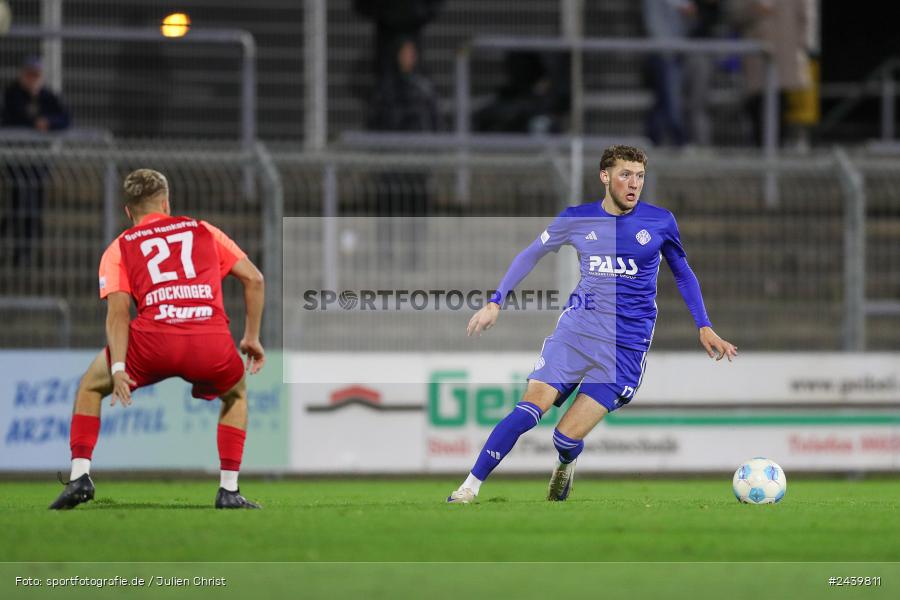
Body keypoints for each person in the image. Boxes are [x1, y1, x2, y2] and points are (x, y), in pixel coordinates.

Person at [448, 145, 737, 504]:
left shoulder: (660, 221)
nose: (634, 184)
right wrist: (495, 302)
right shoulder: (576, 219)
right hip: (577, 332)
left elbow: (683, 273)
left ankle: (566, 461)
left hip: (624, 348)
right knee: (528, 409)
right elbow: (530, 254)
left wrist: (703, 324)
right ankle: (469, 487)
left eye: (640, 176)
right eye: (625, 175)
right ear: (605, 177)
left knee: (564, 438)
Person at [49, 169, 266, 510]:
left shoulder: (119, 247)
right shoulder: (203, 230)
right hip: (209, 340)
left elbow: (118, 314)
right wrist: (251, 337)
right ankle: (229, 490)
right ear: (166, 202)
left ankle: (80, 478)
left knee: (90, 386)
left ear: (128, 211)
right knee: (236, 395)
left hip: (153, 342)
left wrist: (119, 367)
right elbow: (254, 280)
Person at [1, 56, 70, 266]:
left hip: (37, 163)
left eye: (36, 76)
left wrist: (48, 123)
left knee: (33, 207)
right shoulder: (13, 94)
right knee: (16, 205)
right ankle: (16, 249)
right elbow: (13, 117)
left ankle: (27, 253)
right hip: (16, 162)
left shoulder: (47, 96)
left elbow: (65, 118)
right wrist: (34, 122)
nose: (33, 80)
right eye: (30, 75)